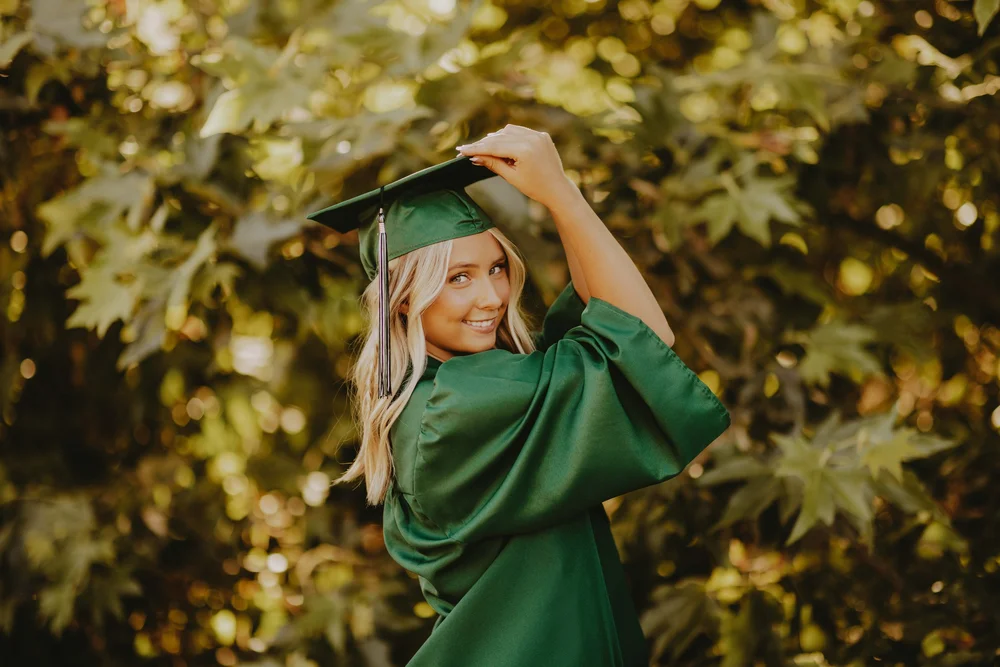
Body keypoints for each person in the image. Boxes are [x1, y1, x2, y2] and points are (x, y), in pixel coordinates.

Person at [305, 125, 732, 666]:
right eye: (458, 277)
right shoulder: (454, 410)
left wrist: (560, 193)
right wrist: (559, 192)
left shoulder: (445, 395)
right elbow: (643, 336)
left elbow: (606, 316)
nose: (491, 296)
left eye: (496, 268)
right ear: (404, 298)